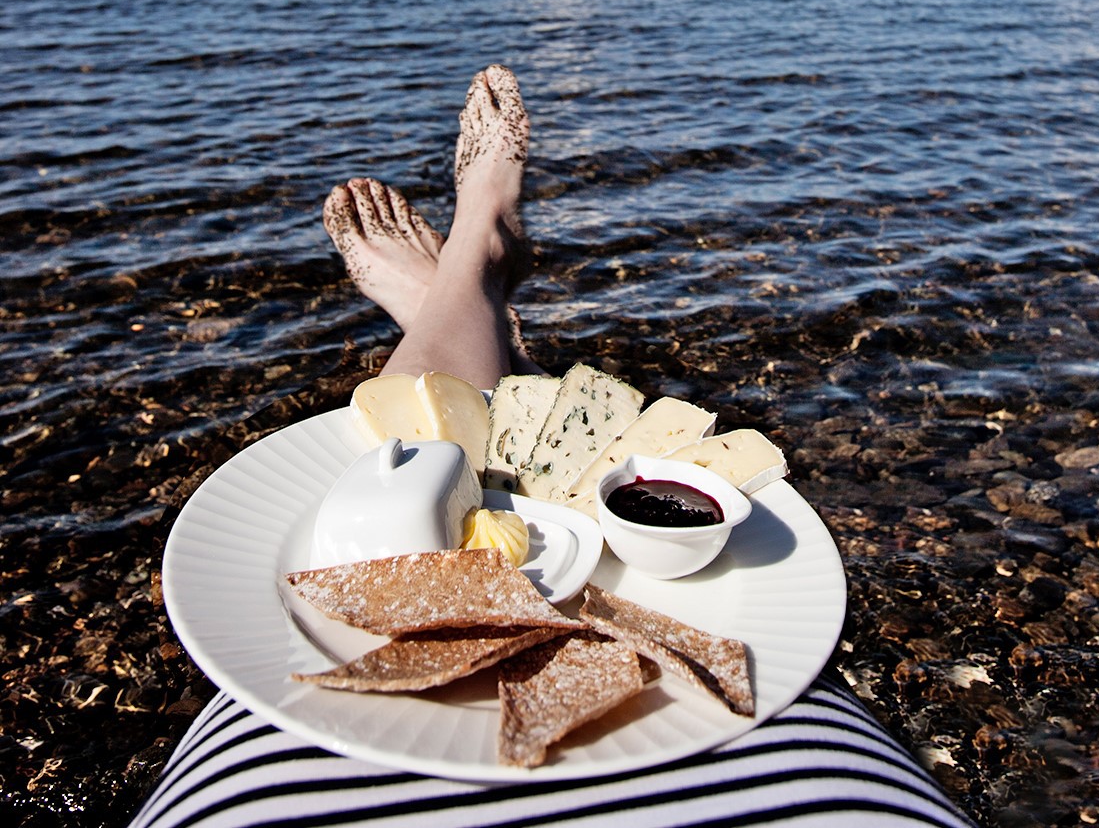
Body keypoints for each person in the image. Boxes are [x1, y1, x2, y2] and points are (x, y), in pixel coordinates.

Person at [131, 66, 973, 828]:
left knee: (431, 419)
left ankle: (466, 284)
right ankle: (480, 279)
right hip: (797, 774)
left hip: (288, 776)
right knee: (500, 421)